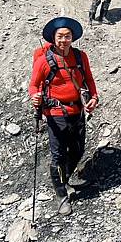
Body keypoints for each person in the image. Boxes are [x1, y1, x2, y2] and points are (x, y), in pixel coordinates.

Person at [29, 17, 99, 215]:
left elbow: (89, 78)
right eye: (60, 36)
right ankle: (61, 196)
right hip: (55, 113)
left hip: (77, 110)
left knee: (78, 149)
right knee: (58, 154)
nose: (63, 40)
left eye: (67, 36)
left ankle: (64, 180)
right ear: (53, 37)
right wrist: (34, 97)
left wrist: (94, 97)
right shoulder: (44, 61)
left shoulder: (79, 57)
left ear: (72, 38)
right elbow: (34, 85)